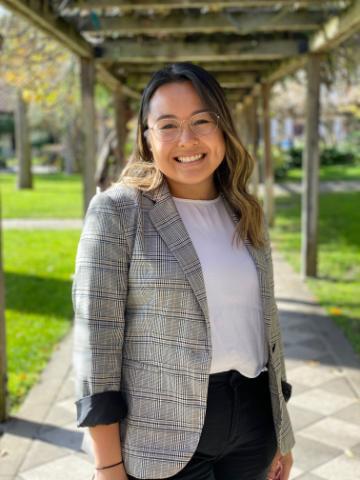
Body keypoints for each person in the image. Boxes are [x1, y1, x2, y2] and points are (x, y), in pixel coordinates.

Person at [72, 62, 295, 480]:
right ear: (147, 138)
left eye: (201, 121)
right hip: (160, 437)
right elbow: (95, 347)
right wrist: (108, 465)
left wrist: (283, 434)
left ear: (222, 128)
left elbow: (267, 328)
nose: (187, 139)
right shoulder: (119, 212)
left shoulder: (246, 212)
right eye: (168, 125)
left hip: (253, 425)